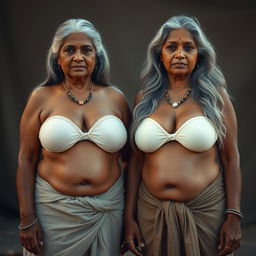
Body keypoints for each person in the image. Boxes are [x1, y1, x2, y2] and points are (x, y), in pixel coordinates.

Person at [124, 15, 242, 256]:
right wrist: (129, 217)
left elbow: (231, 159)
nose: (180, 54)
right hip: (151, 212)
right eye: (171, 47)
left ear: (199, 54)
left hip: (205, 211)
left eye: (188, 47)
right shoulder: (145, 99)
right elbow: (136, 162)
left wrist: (234, 216)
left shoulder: (215, 97)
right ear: (160, 54)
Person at [16, 18, 131, 256]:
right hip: (53, 211)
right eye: (70, 50)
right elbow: (26, 160)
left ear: (97, 57)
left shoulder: (116, 98)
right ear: (58, 58)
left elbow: (131, 159)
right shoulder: (41, 97)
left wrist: (131, 217)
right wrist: (27, 218)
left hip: (108, 209)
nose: (78, 57)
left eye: (86, 50)